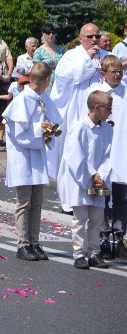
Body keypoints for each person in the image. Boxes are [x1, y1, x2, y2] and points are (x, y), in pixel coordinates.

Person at [3, 63, 60, 262]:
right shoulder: (23, 100)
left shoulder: (43, 98)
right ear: (46, 80)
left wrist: (50, 128)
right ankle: (22, 244)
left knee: (37, 202)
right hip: (23, 156)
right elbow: (19, 134)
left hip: (37, 154)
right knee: (24, 202)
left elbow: (54, 119)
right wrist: (40, 128)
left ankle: (34, 242)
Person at [58, 90, 114, 269]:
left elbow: (108, 155)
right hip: (80, 178)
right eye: (108, 109)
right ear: (97, 108)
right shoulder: (79, 128)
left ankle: (94, 252)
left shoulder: (106, 128)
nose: (110, 112)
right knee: (80, 219)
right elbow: (75, 155)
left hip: (99, 180)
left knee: (97, 219)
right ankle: (79, 253)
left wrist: (101, 175)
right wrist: (92, 174)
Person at [48, 22, 110, 177]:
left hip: (104, 108)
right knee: (79, 142)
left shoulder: (106, 55)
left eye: (97, 36)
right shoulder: (71, 55)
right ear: (81, 38)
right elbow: (66, 78)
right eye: (90, 36)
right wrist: (87, 59)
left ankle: (100, 176)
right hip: (79, 105)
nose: (94, 39)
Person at [85, 56, 126, 260]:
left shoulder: (125, 92)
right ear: (104, 73)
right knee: (102, 195)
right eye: (114, 72)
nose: (118, 75)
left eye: (120, 71)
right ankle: (101, 237)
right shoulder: (97, 94)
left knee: (122, 196)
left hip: (122, 150)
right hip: (102, 150)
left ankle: (118, 238)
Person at [33, 23, 63, 92]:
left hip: (60, 82)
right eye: (48, 33)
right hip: (45, 83)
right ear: (43, 34)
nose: (51, 35)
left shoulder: (61, 50)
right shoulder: (39, 51)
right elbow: (36, 70)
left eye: (53, 33)